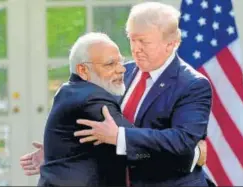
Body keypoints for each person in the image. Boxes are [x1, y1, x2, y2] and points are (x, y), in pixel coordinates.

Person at [74, 2, 213, 186]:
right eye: (132, 39)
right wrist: (58, 148)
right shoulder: (124, 71)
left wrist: (119, 137)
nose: (135, 48)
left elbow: (181, 142)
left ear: (171, 44)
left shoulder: (193, 84)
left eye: (143, 41)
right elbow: (93, 121)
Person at [35, 32, 133, 186]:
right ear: (83, 70)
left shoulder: (69, 90)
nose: (122, 69)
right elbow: (136, 143)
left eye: (121, 62)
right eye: (110, 64)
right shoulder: (92, 99)